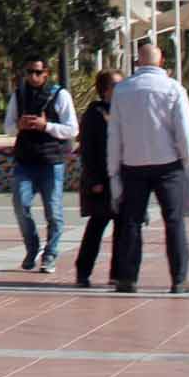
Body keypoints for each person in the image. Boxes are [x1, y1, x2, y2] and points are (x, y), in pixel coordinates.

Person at [108, 43, 189, 295]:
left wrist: (113, 170)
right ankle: (179, 278)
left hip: (132, 165)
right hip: (168, 164)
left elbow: (114, 134)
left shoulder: (122, 90)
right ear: (161, 60)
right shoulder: (174, 89)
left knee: (131, 222)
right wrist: (186, 160)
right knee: (174, 221)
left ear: (138, 62)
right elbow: (184, 131)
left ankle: (127, 278)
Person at [4, 54, 77, 275]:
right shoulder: (19, 95)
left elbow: (72, 129)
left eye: (38, 72)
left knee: (53, 212)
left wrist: (46, 126)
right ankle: (32, 247)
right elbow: (8, 127)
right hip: (25, 160)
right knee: (20, 205)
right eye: (29, 72)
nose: (33, 77)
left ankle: (50, 254)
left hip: (51, 161)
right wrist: (20, 125)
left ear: (46, 73)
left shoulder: (60, 95)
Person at [73, 69, 120, 287]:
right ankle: (83, 271)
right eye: (115, 86)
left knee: (123, 225)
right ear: (105, 89)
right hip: (101, 179)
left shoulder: (123, 111)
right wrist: (94, 181)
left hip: (121, 177)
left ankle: (118, 273)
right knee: (97, 225)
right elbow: (88, 150)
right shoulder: (94, 113)